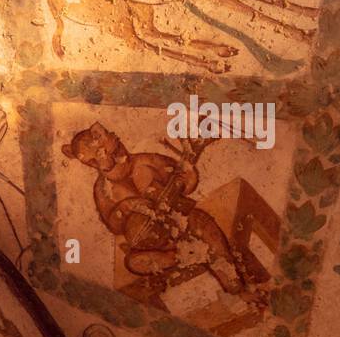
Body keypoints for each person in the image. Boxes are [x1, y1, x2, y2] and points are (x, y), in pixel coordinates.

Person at [62, 122, 258, 303]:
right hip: (155, 243)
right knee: (134, 262)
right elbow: (113, 224)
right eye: (108, 159)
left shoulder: (145, 161)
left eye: (117, 150)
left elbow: (184, 182)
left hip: (183, 219)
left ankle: (233, 284)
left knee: (204, 226)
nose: (118, 158)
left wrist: (189, 177)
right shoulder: (103, 190)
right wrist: (126, 207)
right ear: (98, 166)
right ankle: (179, 255)